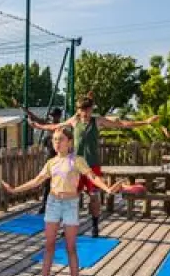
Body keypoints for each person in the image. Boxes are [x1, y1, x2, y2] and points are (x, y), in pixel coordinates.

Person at [1, 127, 122, 276]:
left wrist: (107, 189)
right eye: (55, 139)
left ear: (69, 142)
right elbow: (37, 180)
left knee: (70, 247)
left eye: (61, 139)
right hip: (53, 203)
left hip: (70, 204)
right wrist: (15, 190)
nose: (57, 143)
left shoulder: (77, 160)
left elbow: (92, 177)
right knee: (49, 245)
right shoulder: (51, 163)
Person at [30, 92, 159, 237]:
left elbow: (122, 124)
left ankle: (95, 226)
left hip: (92, 166)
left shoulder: (97, 121)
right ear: (79, 110)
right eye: (82, 110)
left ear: (91, 109)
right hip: (76, 167)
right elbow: (56, 126)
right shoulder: (74, 121)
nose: (85, 113)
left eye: (87, 110)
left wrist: (146, 122)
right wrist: (39, 126)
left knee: (94, 198)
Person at [21, 105, 63, 213]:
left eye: (54, 116)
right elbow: (37, 119)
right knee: (47, 183)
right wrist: (27, 112)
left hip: (59, 160)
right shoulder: (49, 124)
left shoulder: (61, 128)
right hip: (49, 159)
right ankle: (44, 205)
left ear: (59, 116)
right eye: (51, 116)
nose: (52, 118)